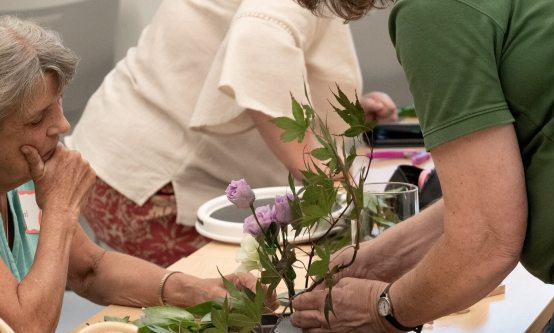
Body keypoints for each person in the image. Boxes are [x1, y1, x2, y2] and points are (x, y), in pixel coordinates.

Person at [290, 1, 554, 333]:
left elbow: (486, 241)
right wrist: (376, 261)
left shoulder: (432, 9)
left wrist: (381, 310)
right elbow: (494, 191)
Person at [0, 15, 260, 333]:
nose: (61, 126)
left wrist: (193, 291)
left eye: (58, 106)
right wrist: (60, 211)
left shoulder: (25, 177)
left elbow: (89, 269)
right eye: (36, 120)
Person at [68, 0, 398, 267]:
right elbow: (260, 42)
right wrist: (326, 172)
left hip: (121, 154)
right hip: (152, 180)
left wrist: (329, 114)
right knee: (249, 298)